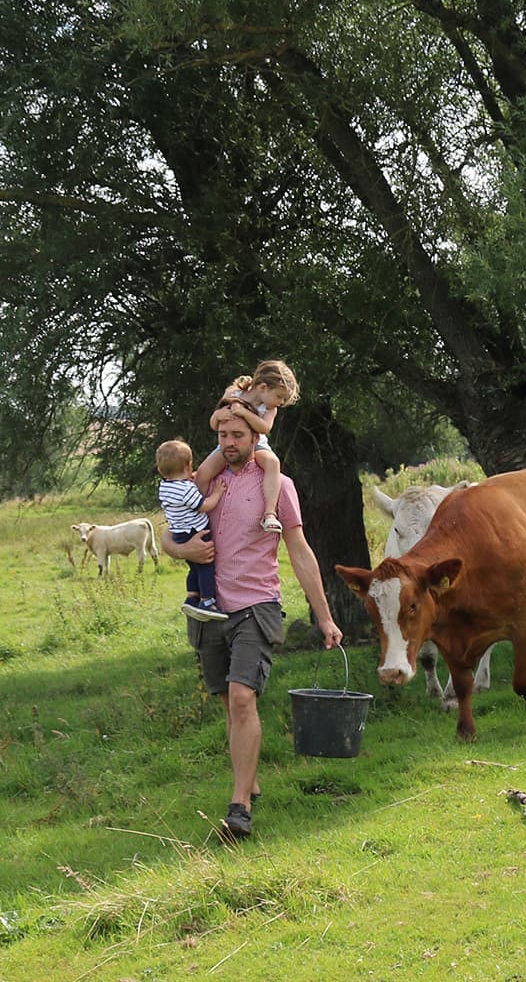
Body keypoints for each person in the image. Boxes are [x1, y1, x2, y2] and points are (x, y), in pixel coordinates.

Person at [162, 406, 343, 841]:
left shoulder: (277, 485)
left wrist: (324, 617)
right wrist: (182, 553)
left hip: (256, 605)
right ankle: (251, 779)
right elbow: (171, 532)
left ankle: (239, 805)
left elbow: (299, 550)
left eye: (238, 434)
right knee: (228, 702)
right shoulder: (204, 482)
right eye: (222, 434)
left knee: (243, 697)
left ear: (255, 436)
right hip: (209, 610)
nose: (229, 442)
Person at [194, 359, 299, 535]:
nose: (281, 402)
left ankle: (270, 513)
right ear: (263, 387)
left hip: (258, 446)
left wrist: (243, 413)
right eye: (279, 397)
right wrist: (219, 414)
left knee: (273, 463)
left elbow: (264, 428)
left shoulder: (269, 409)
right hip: (228, 445)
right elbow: (214, 423)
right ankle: (195, 512)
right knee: (204, 472)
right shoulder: (233, 393)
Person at [156, 438, 228, 622]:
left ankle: (191, 596)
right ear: (189, 465)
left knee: (194, 568)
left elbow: (180, 492)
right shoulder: (187, 489)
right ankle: (207, 601)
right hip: (196, 531)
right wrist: (217, 493)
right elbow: (204, 506)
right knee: (205, 567)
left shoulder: (165, 487)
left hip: (180, 534)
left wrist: (186, 477)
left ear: (160, 469)